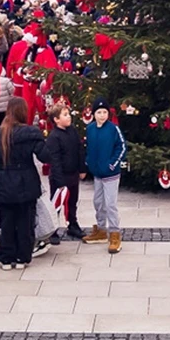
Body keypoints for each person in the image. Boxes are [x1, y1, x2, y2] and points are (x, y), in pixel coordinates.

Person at [0, 98, 49, 270]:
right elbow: (45, 156)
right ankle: (22, 256)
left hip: (4, 180)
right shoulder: (31, 133)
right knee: (25, 222)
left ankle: (6, 257)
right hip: (25, 180)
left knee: (6, 222)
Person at [83, 98, 127, 254]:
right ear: (94, 114)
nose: (102, 115)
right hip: (97, 173)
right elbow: (88, 148)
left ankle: (114, 233)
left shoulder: (113, 129)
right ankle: (101, 229)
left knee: (110, 204)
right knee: (98, 202)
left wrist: (112, 164)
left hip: (110, 174)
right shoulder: (90, 129)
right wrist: (88, 163)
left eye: (104, 112)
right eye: (99, 112)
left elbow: (121, 147)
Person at [43, 102, 84, 241]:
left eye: (68, 114)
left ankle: (73, 224)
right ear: (56, 119)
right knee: (57, 204)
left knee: (72, 201)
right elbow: (55, 160)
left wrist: (82, 168)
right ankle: (52, 230)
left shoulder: (72, 131)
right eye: (65, 115)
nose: (69, 117)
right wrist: (59, 181)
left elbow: (79, 149)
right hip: (59, 176)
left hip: (73, 173)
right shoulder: (54, 137)